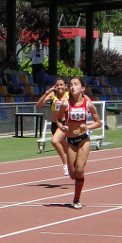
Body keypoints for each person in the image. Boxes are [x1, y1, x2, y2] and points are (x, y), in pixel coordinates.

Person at [57, 77, 102, 209]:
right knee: (72, 174)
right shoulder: (65, 104)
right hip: (70, 141)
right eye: (70, 85)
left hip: (83, 139)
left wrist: (87, 127)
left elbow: (98, 122)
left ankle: (76, 199)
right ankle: (77, 182)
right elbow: (58, 120)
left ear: (82, 88)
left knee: (80, 169)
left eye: (75, 84)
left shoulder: (88, 104)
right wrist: (62, 126)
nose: (72, 87)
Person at [36, 77, 70, 176]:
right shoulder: (52, 95)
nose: (59, 87)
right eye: (57, 85)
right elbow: (39, 104)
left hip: (65, 123)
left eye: (61, 85)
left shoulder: (69, 95)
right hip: (54, 125)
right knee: (65, 148)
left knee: (54, 141)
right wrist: (48, 92)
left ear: (65, 86)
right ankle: (74, 160)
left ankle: (65, 164)